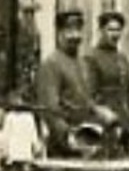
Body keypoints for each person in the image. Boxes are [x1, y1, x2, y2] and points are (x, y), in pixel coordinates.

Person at [37, 9, 115, 156]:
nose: (75, 36)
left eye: (78, 30)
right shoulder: (51, 64)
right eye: (69, 31)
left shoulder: (82, 63)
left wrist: (99, 110)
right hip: (66, 145)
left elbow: (84, 99)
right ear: (59, 33)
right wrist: (68, 138)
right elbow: (50, 110)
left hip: (89, 138)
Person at [85, 10, 129, 152]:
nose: (115, 34)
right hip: (104, 122)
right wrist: (102, 114)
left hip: (123, 123)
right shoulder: (92, 58)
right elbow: (89, 95)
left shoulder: (122, 58)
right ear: (101, 30)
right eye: (110, 29)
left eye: (118, 30)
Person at [1, 95, 44, 171]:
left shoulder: (29, 117)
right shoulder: (9, 117)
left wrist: (35, 146)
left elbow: (33, 133)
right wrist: (4, 149)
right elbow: (5, 134)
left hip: (25, 149)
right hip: (13, 149)